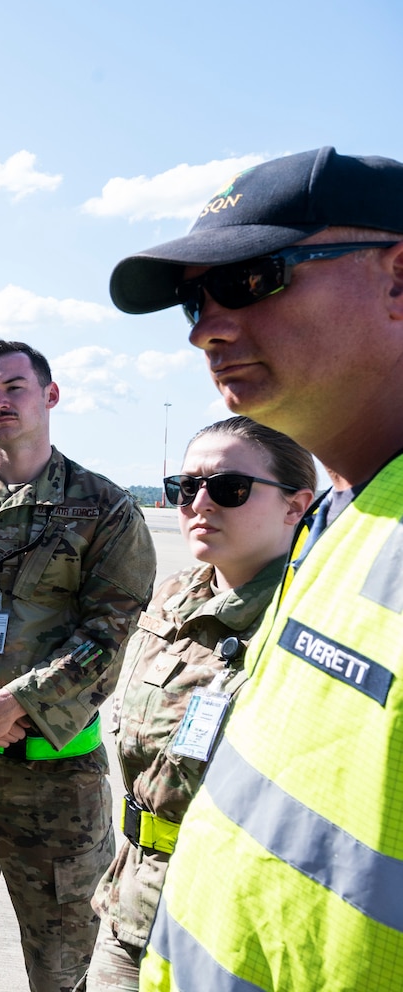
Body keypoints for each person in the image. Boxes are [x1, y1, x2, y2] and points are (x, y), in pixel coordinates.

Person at [109, 147, 403, 991]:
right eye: (193, 301)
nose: (206, 326)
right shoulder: (342, 521)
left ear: (397, 278)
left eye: (248, 279)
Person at [0, 339, 157, 992]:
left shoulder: (104, 509)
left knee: (65, 961)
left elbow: (109, 630)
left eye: (13, 387)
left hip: (53, 777)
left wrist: (13, 704)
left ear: (49, 395)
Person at [83, 418, 314, 990]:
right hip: (132, 905)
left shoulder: (311, 621)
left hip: (231, 922)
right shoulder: (176, 593)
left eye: (228, 488)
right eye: (186, 488)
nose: (200, 503)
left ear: (295, 506)